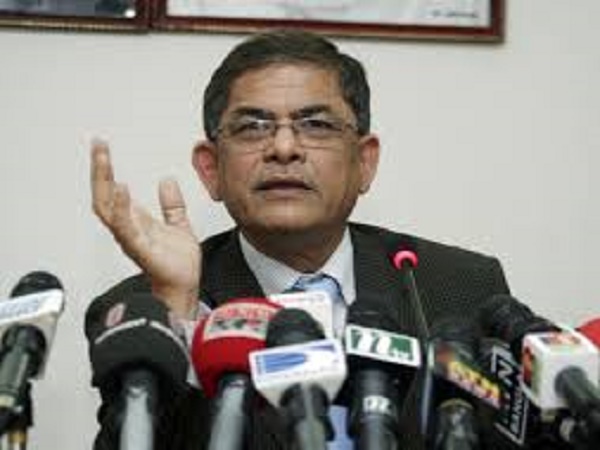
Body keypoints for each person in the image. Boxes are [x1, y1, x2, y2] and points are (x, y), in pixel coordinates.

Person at [88, 29, 510, 450]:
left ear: (364, 162)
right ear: (211, 168)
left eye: (316, 125)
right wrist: (178, 305)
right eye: (253, 127)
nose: (284, 147)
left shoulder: (460, 287)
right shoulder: (137, 309)